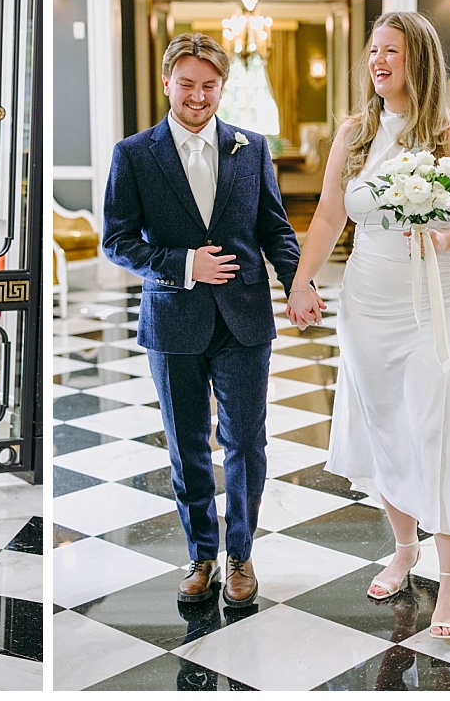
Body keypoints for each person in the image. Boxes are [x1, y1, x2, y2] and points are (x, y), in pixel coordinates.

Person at [286, 11, 450, 640]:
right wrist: (303, 281)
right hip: (368, 300)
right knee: (386, 425)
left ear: (420, 62)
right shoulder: (354, 134)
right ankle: (404, 547)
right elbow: (330, 216)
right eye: (374, 51)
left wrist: (446, 238)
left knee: (442, 429)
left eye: (394, 51)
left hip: (438, 299)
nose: (380, 61)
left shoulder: (447, 136)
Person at [102, 33, 311, 607]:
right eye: (187, 84)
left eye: (210, 86)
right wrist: (183, 264)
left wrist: (299, 281)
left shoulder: (252, 147)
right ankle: (201, 555)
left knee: (246, 440)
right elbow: (116, 242)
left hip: (245, 319)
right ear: (167, 82)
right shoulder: (135, 154)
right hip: (173, 320)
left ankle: (240, 553)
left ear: (223, 86)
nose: (198, 96)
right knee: (186, 444)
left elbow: (274, 230)